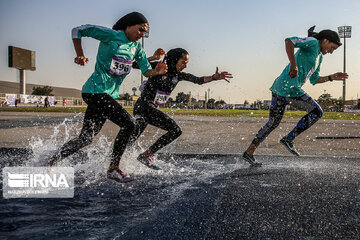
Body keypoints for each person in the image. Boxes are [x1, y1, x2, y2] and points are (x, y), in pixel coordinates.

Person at [48, 12, 167, 183]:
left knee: (86, 138)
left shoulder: (137, 49)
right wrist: (80, 54)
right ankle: (113, 168)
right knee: (129, 123)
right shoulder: (111, 35)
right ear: (128, 25)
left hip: (107, 95)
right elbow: (77, 30)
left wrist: (156, 71)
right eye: (140, 30)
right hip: (94, 91)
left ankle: (52, 160)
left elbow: (146, 71)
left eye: (145, 33)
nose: (142, 35)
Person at [242, 26, 348, 167]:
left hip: (279, 89)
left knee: (272, 123)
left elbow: (314, 80)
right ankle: (289, 139)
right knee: (317, 112)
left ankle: (249, 152)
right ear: (325, 40)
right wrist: (293, 64)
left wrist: (331, 77)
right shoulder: (313, 43)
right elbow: (289, 41)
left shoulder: (319, 58)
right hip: (290, 89)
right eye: (332, 47)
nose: (331, 51)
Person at [129, 48, 233, 170]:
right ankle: (146, 155)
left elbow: (199, 80)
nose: (185, 66)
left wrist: (214, 77)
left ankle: (114, 161)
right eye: (183, 62)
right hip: (144, 107)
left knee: (130, 140)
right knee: (175, 130)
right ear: (174, 60)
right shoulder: (160, 65)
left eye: (187, 63)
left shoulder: (178, 75)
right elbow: (133, 64)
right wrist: (153, 58)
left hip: (148, 109)